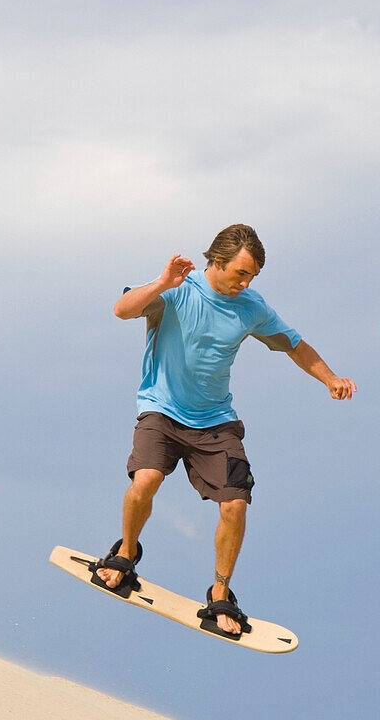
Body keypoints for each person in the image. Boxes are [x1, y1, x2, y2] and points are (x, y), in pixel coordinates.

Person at [94, 223, 356, 638]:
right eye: (240, 273)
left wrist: (330, 378)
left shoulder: (251, 306)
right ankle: (126, 553)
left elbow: (295, 344)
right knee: (146, 479)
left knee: (235, 505)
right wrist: (163, 281)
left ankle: (220, 594)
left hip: (215, 421)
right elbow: (121, 310)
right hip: (161, 410)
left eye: (252, 276)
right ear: (216, 261)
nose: (245, 283)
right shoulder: (179, 288)